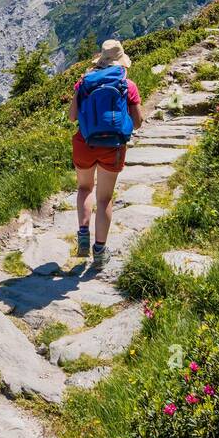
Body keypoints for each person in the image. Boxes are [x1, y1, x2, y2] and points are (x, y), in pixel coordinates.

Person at [69, 38, 143, 269]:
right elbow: (138, 123)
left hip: (85, 142)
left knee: (84, 188)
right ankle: (99, 252)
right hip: (113, 147)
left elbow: (72, 117)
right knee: (104, 198)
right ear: (121, 61)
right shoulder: (127, 85)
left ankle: (83, 232)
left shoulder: (84, 83)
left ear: (101, 60)